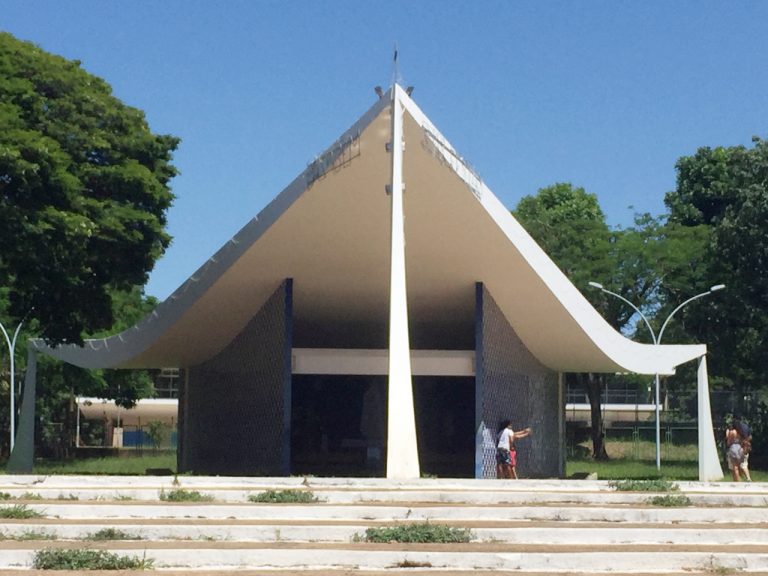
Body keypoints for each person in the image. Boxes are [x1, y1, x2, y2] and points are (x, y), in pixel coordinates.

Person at [733, 416, 753, 482]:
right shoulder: (746, 426)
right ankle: (746, 478)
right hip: (746, 447)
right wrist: (747, 441)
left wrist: (743, 441)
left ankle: (747, 478)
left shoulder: (737, 428)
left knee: (741, 465)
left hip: (741, 448)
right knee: (744, 464)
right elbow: (750, 436)